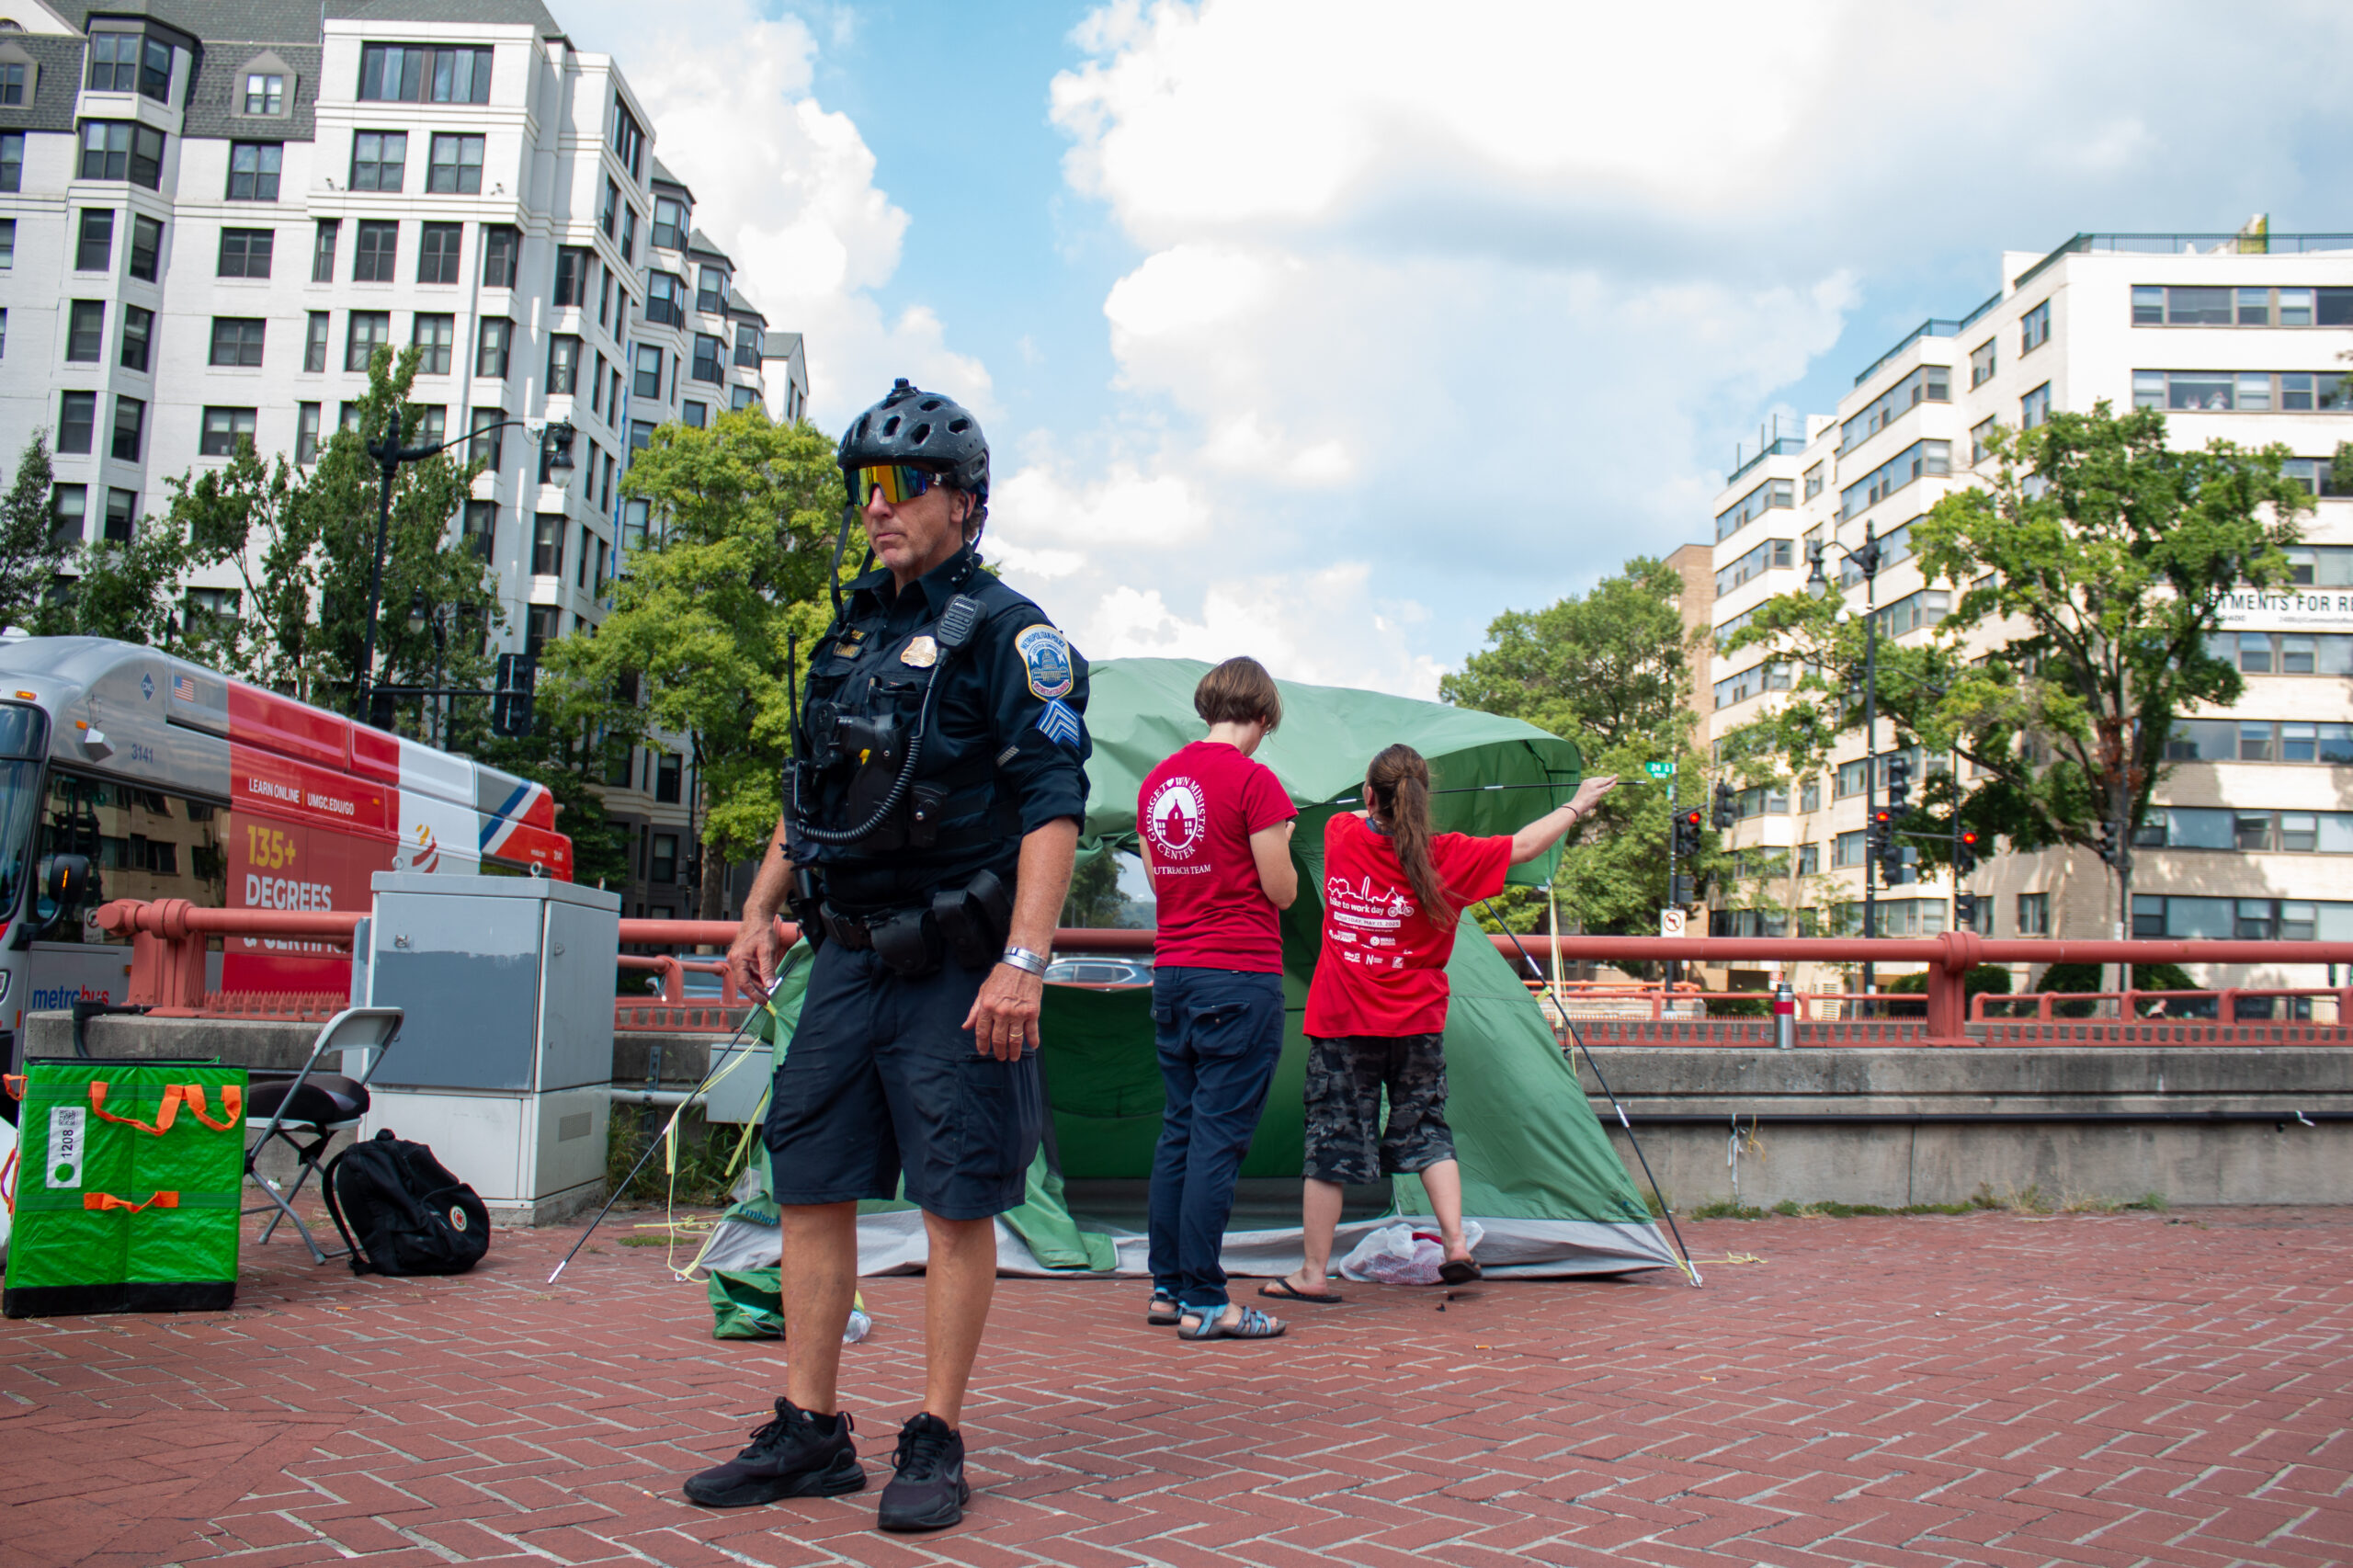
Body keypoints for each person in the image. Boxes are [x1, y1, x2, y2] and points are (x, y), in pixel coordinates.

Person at [686, 380, 1090, 1533]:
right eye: (865, 485)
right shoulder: (850, 628)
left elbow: (1053, 805)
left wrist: (1026, 959)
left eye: (901, 485)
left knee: (956, 1196)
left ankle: (935, 1428)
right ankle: (810, 1429)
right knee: (810, 1176)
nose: (878, 507)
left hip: (961, 960)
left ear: (963, 502)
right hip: (847, 957)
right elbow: (810, 794)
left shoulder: (1016, 635)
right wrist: (762, 907)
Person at [1267, 744, 1614, 1304]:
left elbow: (1360, 814)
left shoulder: (1339, 833)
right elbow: (1525, 845)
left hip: (1343, 1024)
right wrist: (1577, 804)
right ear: (1423, 798)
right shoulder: (1447, 856)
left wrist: (1374, 798)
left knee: (1329, 1147)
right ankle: (1456, 1246)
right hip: (1416, 1023)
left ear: (1370, 794)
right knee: (1427, 1131)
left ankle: (1312, 1273)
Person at [1137, 657, 1298, 1342]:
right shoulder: (1256, 781)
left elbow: (1157, 876)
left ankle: (1168, 1286)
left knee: (1179, 1130)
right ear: (1262, 717)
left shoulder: (1156, 782)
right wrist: (1284, 841)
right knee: (1218, 1140)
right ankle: (1208, 1299)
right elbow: (1282, 890)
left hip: (1173, 972)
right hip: (1238, 974)